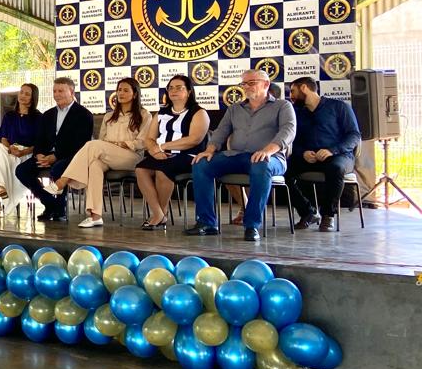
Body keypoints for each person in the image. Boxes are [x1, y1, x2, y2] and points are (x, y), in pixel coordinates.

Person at [186, 69, 296, 242]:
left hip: (272, 158)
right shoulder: (234, 109)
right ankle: (206, 223)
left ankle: (251, 225)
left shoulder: (282, 106)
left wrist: (267, 150)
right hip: (237, 155)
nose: (246, 87)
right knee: (201, 163)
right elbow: (221, 132)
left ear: (266, 84)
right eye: (244, 83)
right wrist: (210, 149)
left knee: (261, 165)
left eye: (251, 83)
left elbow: (288, 131)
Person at [42, 77, 151, 228]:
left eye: (126, 90)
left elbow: (144, 142)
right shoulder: (109, 116)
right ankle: (95, 216)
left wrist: (122, 144)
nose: (121, 93)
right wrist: (108, 146)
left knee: (94, 146)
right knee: (94, 165)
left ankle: (62, 181)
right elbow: (102, 140)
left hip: (132, 157)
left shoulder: (145, 115)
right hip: (108, 155)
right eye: (119, 90)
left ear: (135, 94)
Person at [133, 75, 210, 230]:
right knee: (141, 169)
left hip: (188, 156)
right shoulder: (161, 113)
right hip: (162, 154)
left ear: (189, 91)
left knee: (162, 170)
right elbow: (149, 138)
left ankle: (160, 214)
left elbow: (194, 139)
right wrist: (155, 152)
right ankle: (159, 213)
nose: (174, 90)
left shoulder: (199, 112)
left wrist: (162, 147)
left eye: (179, 87)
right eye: (170, 88)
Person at [285, 77, 361, 232]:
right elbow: (293, 140)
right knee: (282, 170)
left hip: (339, 155)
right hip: (309, 157)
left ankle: (328, 215)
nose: (290, 95)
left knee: (335, 168)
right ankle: (308, 212)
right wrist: (302, 153)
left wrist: (332, 150)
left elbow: (354, 135)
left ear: (304, 88)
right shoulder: (297, 113)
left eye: (293, 91)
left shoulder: (339, 107)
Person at [15, 76, 93, 223]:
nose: (56, 94)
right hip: (45, 156)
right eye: (54, 91)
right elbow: (39, 139)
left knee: (58, 168)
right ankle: (50, 203)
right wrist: (38, 154)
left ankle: (60, 209)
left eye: (61, 91)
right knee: (22, 170)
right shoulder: (48, 115)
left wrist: (55, 156)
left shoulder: (83, 115)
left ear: (71, 92)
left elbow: (80, 145)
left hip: (71, 157)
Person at [0, 83, 41, 218]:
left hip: (27, 154)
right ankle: (0, 189)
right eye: (21, 92)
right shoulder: (10, 116)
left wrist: (23, 152)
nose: (23, 96)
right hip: (10, 151)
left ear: (33, 98)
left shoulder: (38, 117)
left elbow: (39, 143)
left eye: (27, 94)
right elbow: (3, 138)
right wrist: (10, 148)